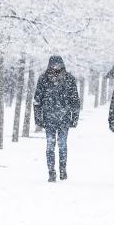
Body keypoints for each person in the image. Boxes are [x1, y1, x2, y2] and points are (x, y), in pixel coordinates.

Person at [33, 55, 81, 183]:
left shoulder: (69, 79)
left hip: (62, 118)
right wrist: (38, 118)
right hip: (50, 118)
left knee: (62, 145)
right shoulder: (43, 79)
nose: (55, 67)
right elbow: (37, 100)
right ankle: (51, 171)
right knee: (51, 145)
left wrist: (75, 117)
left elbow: (75, 100)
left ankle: (62, 169)